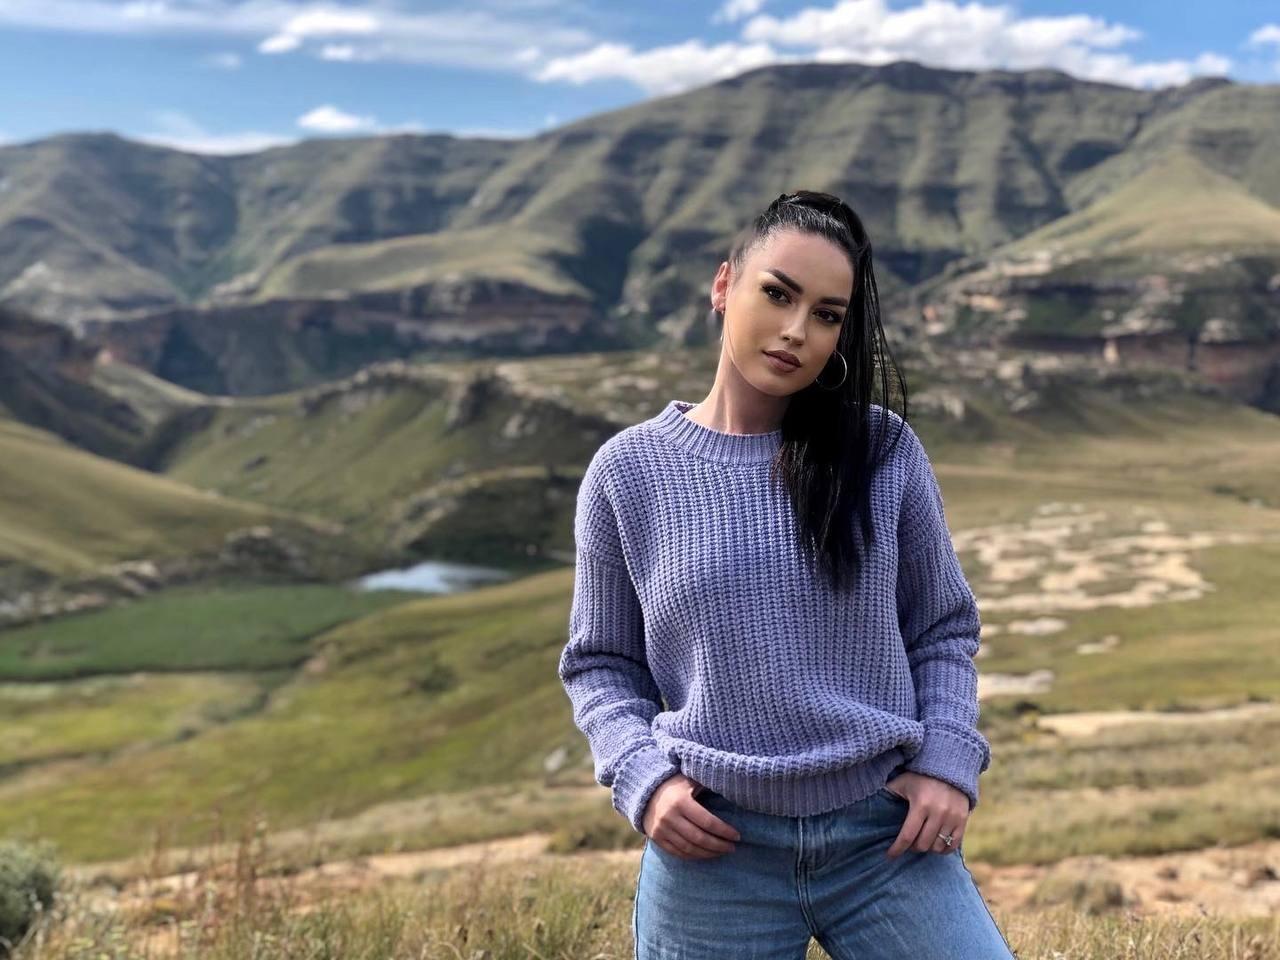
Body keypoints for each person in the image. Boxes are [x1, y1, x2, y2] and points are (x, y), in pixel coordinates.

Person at [557, 190, 1017, 959]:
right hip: (714, 846)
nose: (798, 330)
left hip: (884, 838)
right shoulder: (627, 472)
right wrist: (645, 778)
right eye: (778, 294)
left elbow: (941, 630)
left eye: (828, 314)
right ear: (724, 285)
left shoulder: (882, 451)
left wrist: (946, 762)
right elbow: (601, 665)